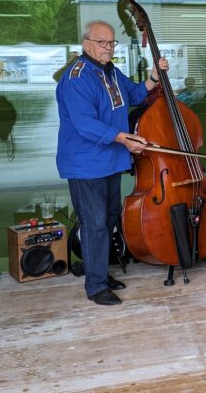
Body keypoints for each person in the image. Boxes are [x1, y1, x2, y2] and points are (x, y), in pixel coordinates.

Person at [56, 20, 170, 306]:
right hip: (86, 164)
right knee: (94, 224)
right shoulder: (77, 76)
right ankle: (95, 286)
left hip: (110, 161)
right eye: (102, 42)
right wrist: (122, 138)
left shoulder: (110, 71)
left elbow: (135, 94)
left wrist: (154, 77)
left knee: (108, 219)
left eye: (111, 42)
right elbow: (85, 124)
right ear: (86, 44)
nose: (108, 47)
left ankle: (100, 273)